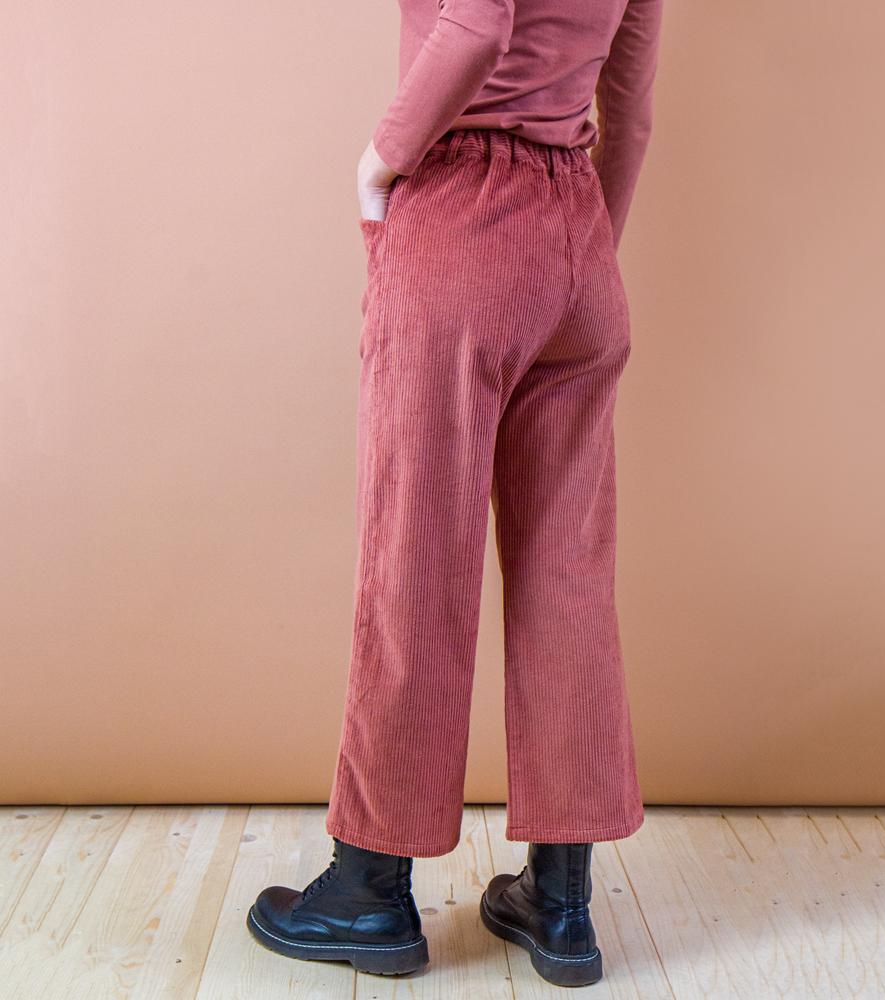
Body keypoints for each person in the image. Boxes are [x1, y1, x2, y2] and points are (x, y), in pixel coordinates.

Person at [246, 0, 664, 987]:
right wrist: (581, 249)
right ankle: (560, 902)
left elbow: (478, 21)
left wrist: (379, 161)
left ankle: (369, 889)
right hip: (579, 239)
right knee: (567, 573)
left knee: (416, 559)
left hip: (461, 216)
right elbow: (631, 110)